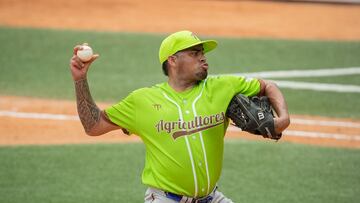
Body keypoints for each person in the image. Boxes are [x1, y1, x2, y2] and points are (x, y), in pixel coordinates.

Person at [69, 30, 290, 203]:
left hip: (212, 198)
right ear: (172, 60)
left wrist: (283, 118)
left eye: (203, 53)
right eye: (195, 53)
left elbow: (267, 86)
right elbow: (93, 125)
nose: (203, 58)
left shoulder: (223, 86)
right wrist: (80, 80)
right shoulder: (142, 101)